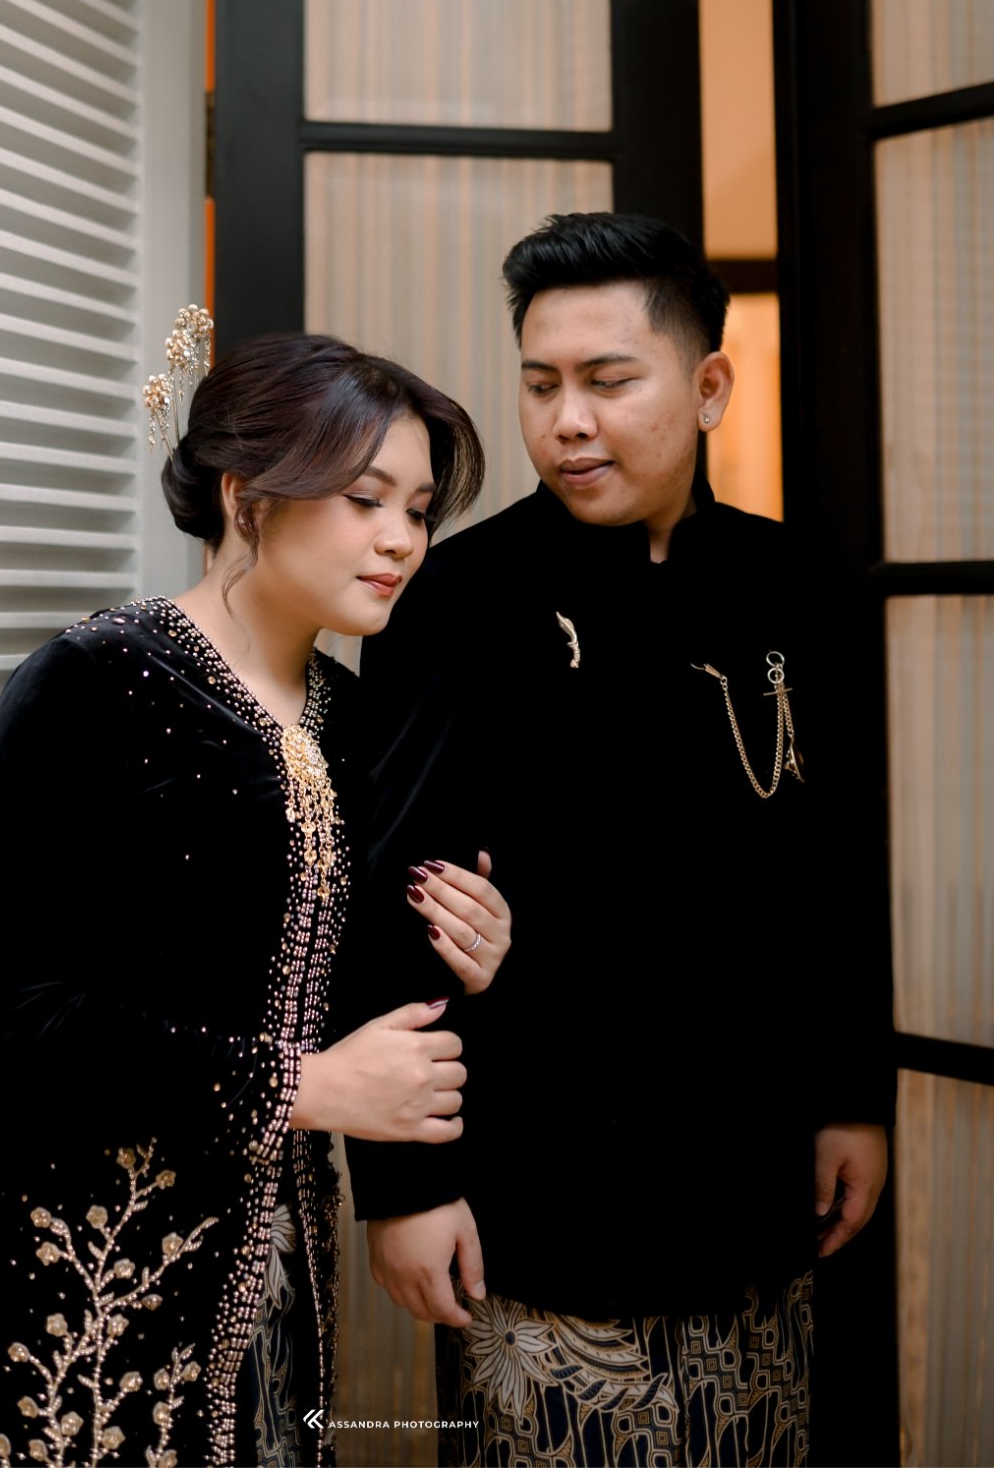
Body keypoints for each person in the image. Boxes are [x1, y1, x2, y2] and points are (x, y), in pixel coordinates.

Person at [347, 214, 894, 1467]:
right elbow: (397, 901)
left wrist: (853, 1099)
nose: (568, 421)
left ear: (707, 388)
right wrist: (405, 1189)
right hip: (543, 1193)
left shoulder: (795, 586)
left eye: (607, 380)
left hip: (755, 1176)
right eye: (541, 384)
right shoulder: (458, 599)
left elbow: (838, 873)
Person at [0, 324, 512, 1468]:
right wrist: (308, 1085)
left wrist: (472, 949)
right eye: (366, 499)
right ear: (248, 497)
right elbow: (20, 1027)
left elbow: (359, 979)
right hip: (81, 1252)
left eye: (418, 509)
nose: (403, 538)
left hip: (277, 1243)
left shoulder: (361, 725)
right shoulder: (93, 684)